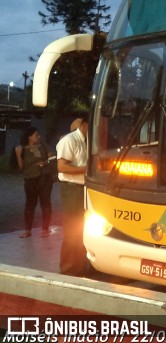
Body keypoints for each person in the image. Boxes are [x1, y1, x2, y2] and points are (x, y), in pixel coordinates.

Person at [56, 116, 89, 276]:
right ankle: (68, 268)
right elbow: (61, 167)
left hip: (84, 189)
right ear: (85, 124)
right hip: (72, 189)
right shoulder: (70, 140)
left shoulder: (88, 141)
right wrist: (87, 169)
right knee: (72, 230)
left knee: (83, 229)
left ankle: (81, 265)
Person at [15, 127, 55, 238]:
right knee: (29, 205)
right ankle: (27, 230)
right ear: (29, 137)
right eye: (36, 135)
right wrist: (18, 155)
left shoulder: (43, 145)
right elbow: (21, 167)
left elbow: (52, 157)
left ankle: (45, 229)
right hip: (30, 179)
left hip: (45, 177)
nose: (39, 137)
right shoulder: (22, 149)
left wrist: (45, 162)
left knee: (45, 203)